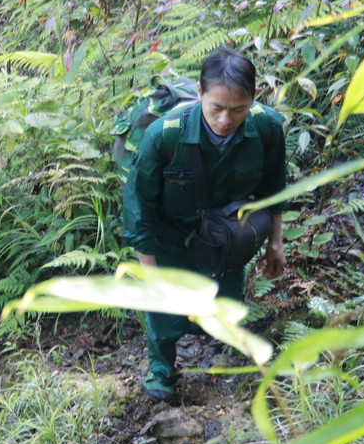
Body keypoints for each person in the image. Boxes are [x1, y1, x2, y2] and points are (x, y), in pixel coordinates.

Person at [122, 47, 286, 402]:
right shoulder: (165, 135)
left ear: (253, 100)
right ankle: (162, 369)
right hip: (170, 232)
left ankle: (226, 354)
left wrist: (276, 242)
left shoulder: (266, 127)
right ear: (199, 93)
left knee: (226, 301)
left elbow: (274, 188)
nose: (226, 120)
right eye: (216, 108)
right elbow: (139, 211)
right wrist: (151, 276)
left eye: (238, 109)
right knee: (165, 312)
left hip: (227, 231)